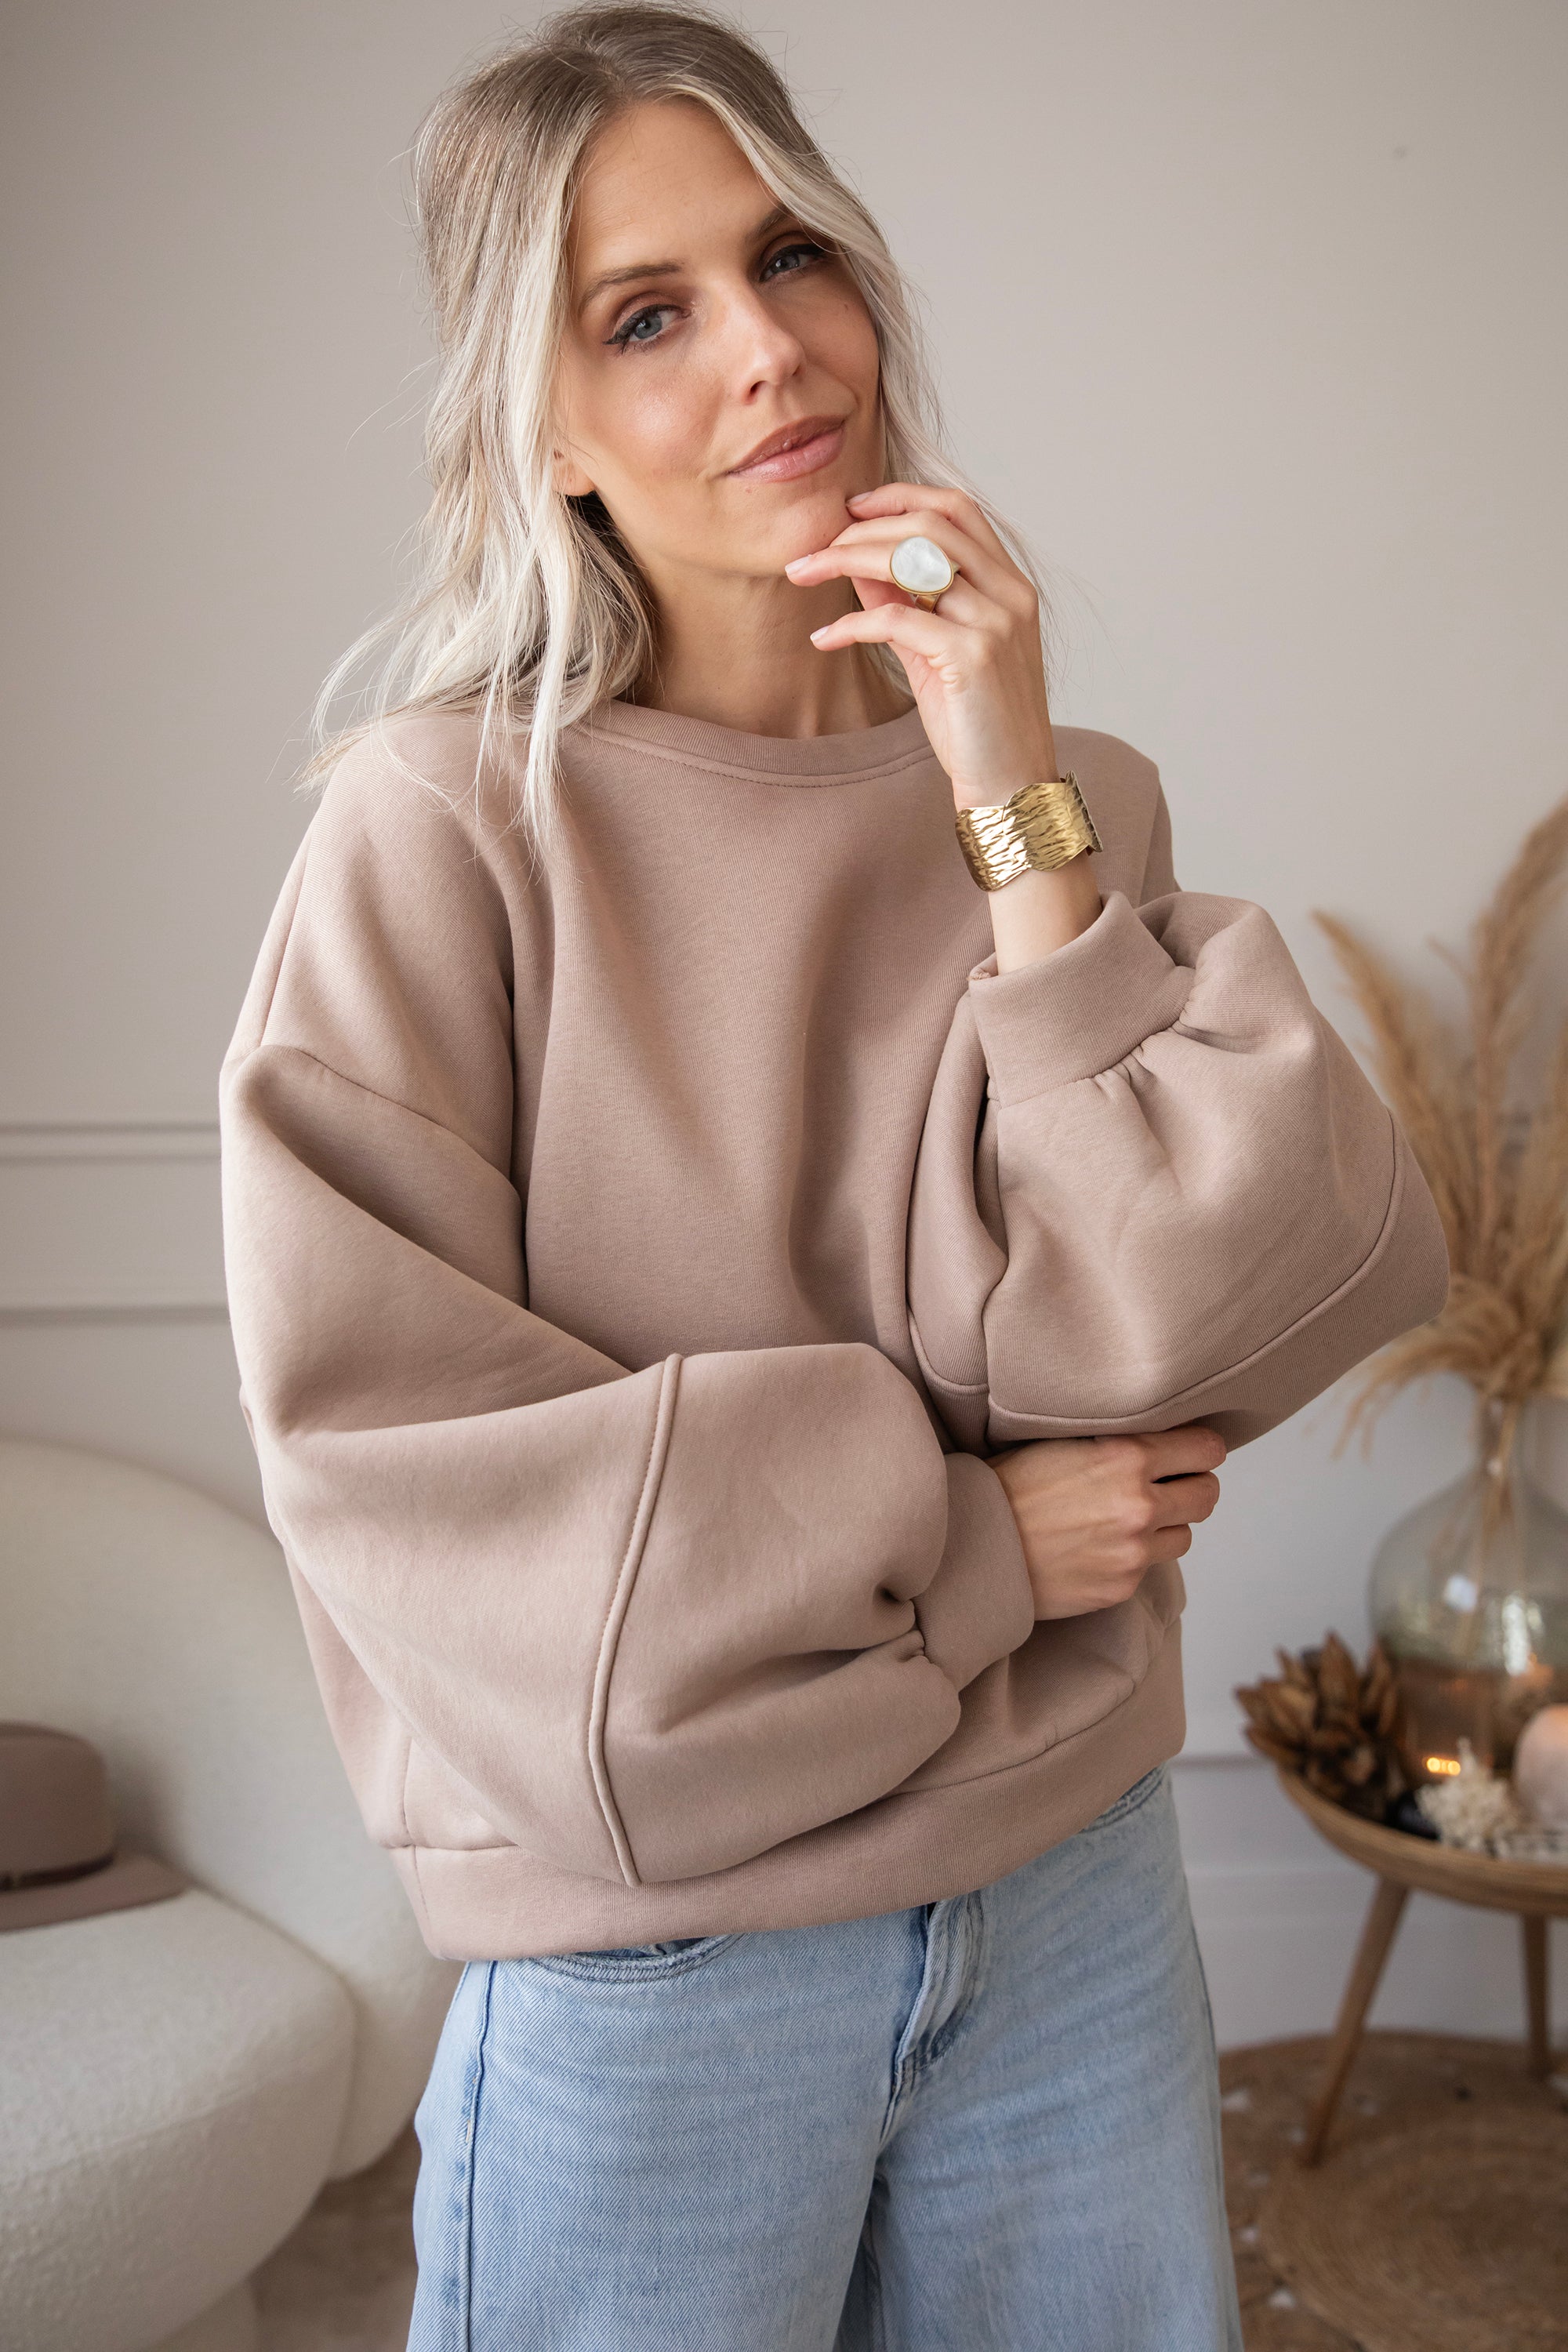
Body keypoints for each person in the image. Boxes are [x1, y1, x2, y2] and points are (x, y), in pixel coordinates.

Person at [216, 6, 1450, 2346]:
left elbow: (1174, 1322)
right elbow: (413, 1484)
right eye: (645, 315)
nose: (769, 349)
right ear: (543, 433)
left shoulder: (1066, 795)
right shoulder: (442, 833)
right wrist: (978, 1546)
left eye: (790, 256)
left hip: (1072, 1876)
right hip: (663, 1957)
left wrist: (1004, 782)